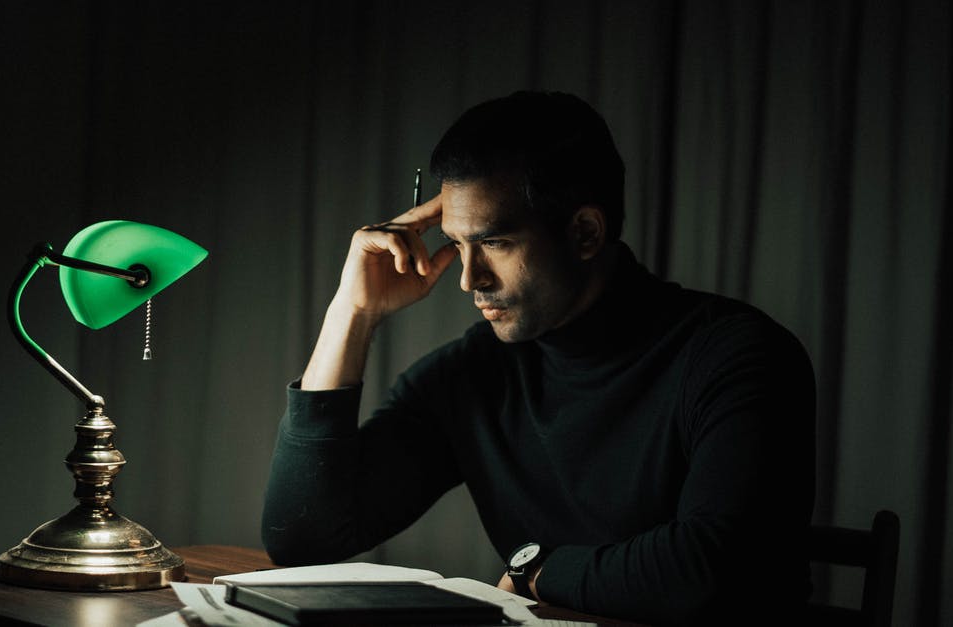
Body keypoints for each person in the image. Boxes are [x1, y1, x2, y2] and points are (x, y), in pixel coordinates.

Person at [261, 91, 815, 625]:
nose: (468, 279)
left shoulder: (739, 356)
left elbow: (716, 573)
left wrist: (539, 570)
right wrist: (352, 313)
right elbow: (302, 537)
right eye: (457, 243)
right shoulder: (476, 376)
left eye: (495, 243)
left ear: (585, 232)